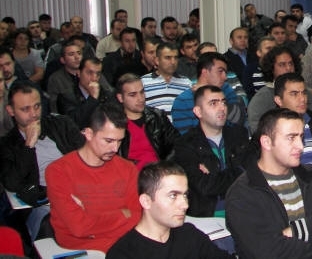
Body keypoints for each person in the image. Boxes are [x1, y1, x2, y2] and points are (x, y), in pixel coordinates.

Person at [225, 108, 312, 258]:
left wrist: (297, 230)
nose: (301, 146)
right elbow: (270, 252)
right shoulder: (242, 194)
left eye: (301, 137)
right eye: (291, 138)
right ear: (267, 142)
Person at [46, 103, 142, 252]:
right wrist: (122, 214)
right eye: (108, 141)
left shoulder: (128, 169)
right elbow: (79, 227)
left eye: (119, 141)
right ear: (89, 134)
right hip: (80, 250)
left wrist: (91, 220)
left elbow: (138, 217)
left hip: (124, 245)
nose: (115, 148)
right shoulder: (58, 171)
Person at [0, 83, 84, 240]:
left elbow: (87, 156)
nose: (33, 114)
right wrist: (28, 146)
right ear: (11, 111)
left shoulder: (61, 124)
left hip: (81, 190)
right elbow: (12, 183)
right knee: (56, 223)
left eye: (37, 106)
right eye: (25, 109)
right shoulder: (7, 144)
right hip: (45, 202)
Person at [106, 161, 235, 259]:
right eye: (173, 196)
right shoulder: (123, 253)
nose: (185, 205)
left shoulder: (189, 235)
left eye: (185, 195)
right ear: (146, 201)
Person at [173, 85, 249, 217]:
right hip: (209, 215)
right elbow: (204, 187)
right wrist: (239, 171)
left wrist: (214, 177)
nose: (222, 108)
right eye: (213, 103)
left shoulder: (239, 135)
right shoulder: (186, 144)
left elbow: (252, 174)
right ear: (198, 112)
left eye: (223, 102)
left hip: (245, 208)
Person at [247, 45, 312, 134]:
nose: (288, 68)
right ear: (272, 68)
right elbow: (258, 132)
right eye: (282, 65)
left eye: (291, 64)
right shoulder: (261, 99)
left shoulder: (306, 93)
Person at [115, 73, 180, 170]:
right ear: (120, 98)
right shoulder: (114, 123)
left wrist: (164, 167)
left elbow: (178, 144)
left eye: (142, 92)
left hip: (160, 173)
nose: (140, 99)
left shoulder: (157, 117)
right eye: (133, 95)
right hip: (129, 175)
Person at [172, 52, 245, 134]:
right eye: (220, 71)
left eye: (225, 72)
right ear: (205, 72)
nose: (225, 77)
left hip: (228, 139)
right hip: (198, 141)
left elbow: (237, 120)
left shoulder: (226, 90)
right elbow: (185, 136)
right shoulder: (183, 101)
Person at [274, 73, 312, 169]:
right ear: (279, 100)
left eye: (304, 93)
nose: (302, 99)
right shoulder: (270, 128)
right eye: (294, 94)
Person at [57, 57, 114, 129]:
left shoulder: (107, 95)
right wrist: (92, 99)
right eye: (89, 73)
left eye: (98, 74)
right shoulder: (66, 97)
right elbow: (74, 124)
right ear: (78, 73)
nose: (94, 78)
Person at [141, 43, 192, 119]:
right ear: (157, 60)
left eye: (175, 58)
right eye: (168, 58)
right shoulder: (143, 82)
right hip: (154, 125)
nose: (173, 62)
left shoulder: (187, 83)